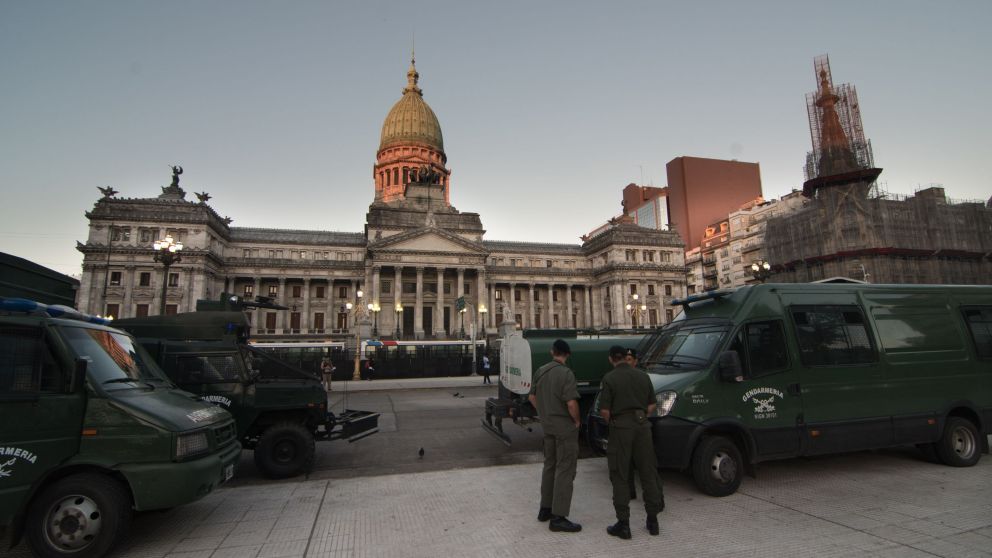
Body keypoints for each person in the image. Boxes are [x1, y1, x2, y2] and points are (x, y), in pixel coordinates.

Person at [599, 345, 664, 539]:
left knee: (620, 473)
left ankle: (624, 524)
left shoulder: (609, 378)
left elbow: (604, 410)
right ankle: (653, 521)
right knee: (648, 472)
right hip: (643, 427)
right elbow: (652, 403)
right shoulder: (643, 376)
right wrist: (642, 416)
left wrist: (614, 422)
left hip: (621, 427)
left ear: (611, 359)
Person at [528, 339, 582, 533]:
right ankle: (558, 516)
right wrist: (576, 420)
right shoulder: (566, 373)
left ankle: (545, 508)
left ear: (552, 352)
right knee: (565, 468)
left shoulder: (541, 370)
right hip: (563, 426)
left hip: (547, 425)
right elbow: (571, 403)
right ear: (567, 354)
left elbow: (531, 396)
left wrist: (543, 412)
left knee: (549, 465)